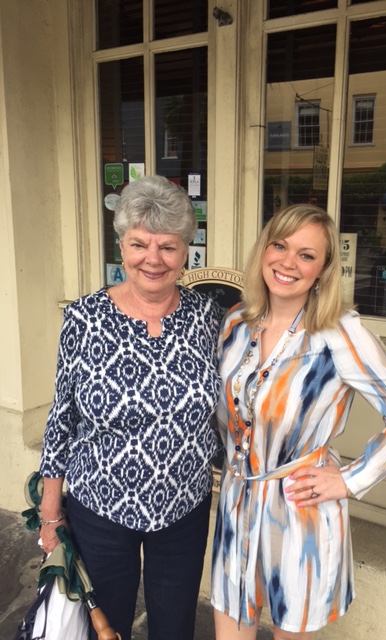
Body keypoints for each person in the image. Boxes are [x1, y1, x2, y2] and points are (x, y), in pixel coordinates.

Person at [211, 203, 386, 640]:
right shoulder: (237, 322)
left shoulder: (339, 333)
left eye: (306, 255)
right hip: (238, 502)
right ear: (264, 250)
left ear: (323, 270)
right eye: (280, 246)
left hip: (299, 509)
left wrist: (348, 480)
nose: (288, 262)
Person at [38, 175, 220, 640]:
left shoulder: (208, 317)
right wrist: (50, 515)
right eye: (140, 244)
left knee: (175, 626)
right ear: (121, 247)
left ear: (186, 252)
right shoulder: (84, 318)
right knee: (104, 626)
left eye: (168, 246)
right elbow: (61, 421)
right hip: (100, 507)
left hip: (184, 505)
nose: (153, 259)